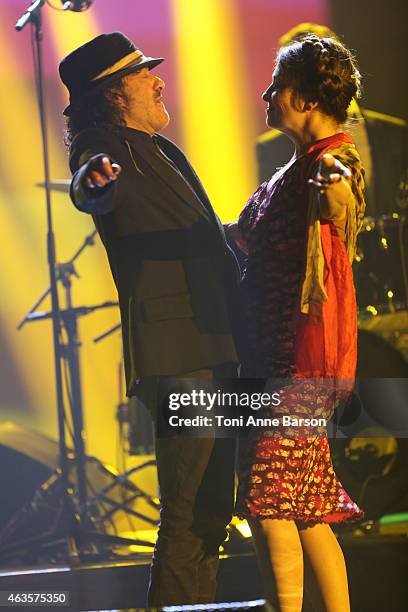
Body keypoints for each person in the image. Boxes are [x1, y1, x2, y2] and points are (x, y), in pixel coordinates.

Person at [59, 32, 239, 607]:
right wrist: (92, 179)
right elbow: (88, 181)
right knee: (189, 510)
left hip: (211, 343)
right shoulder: (104, 144)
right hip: (179, 353)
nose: (159, 79)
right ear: (114, 95)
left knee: (212, 508)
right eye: (143, 74)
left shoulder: (160, 150)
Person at [227, 35, 366, 612]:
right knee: (308, 507)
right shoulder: (293, 168)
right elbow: (239, 240)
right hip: (281, 360)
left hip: (300, 362)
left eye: (277, 85)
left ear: (306, 98)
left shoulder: (332, 161)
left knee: (269, 502)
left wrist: (332, 188)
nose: (265, 93)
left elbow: (341, 202)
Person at [256, 23, 408, 218]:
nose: (266, 94)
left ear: (310, 96)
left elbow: (335, 205)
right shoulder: (282, 150)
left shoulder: (335, 156)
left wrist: (334, 193)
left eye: (279, 84)